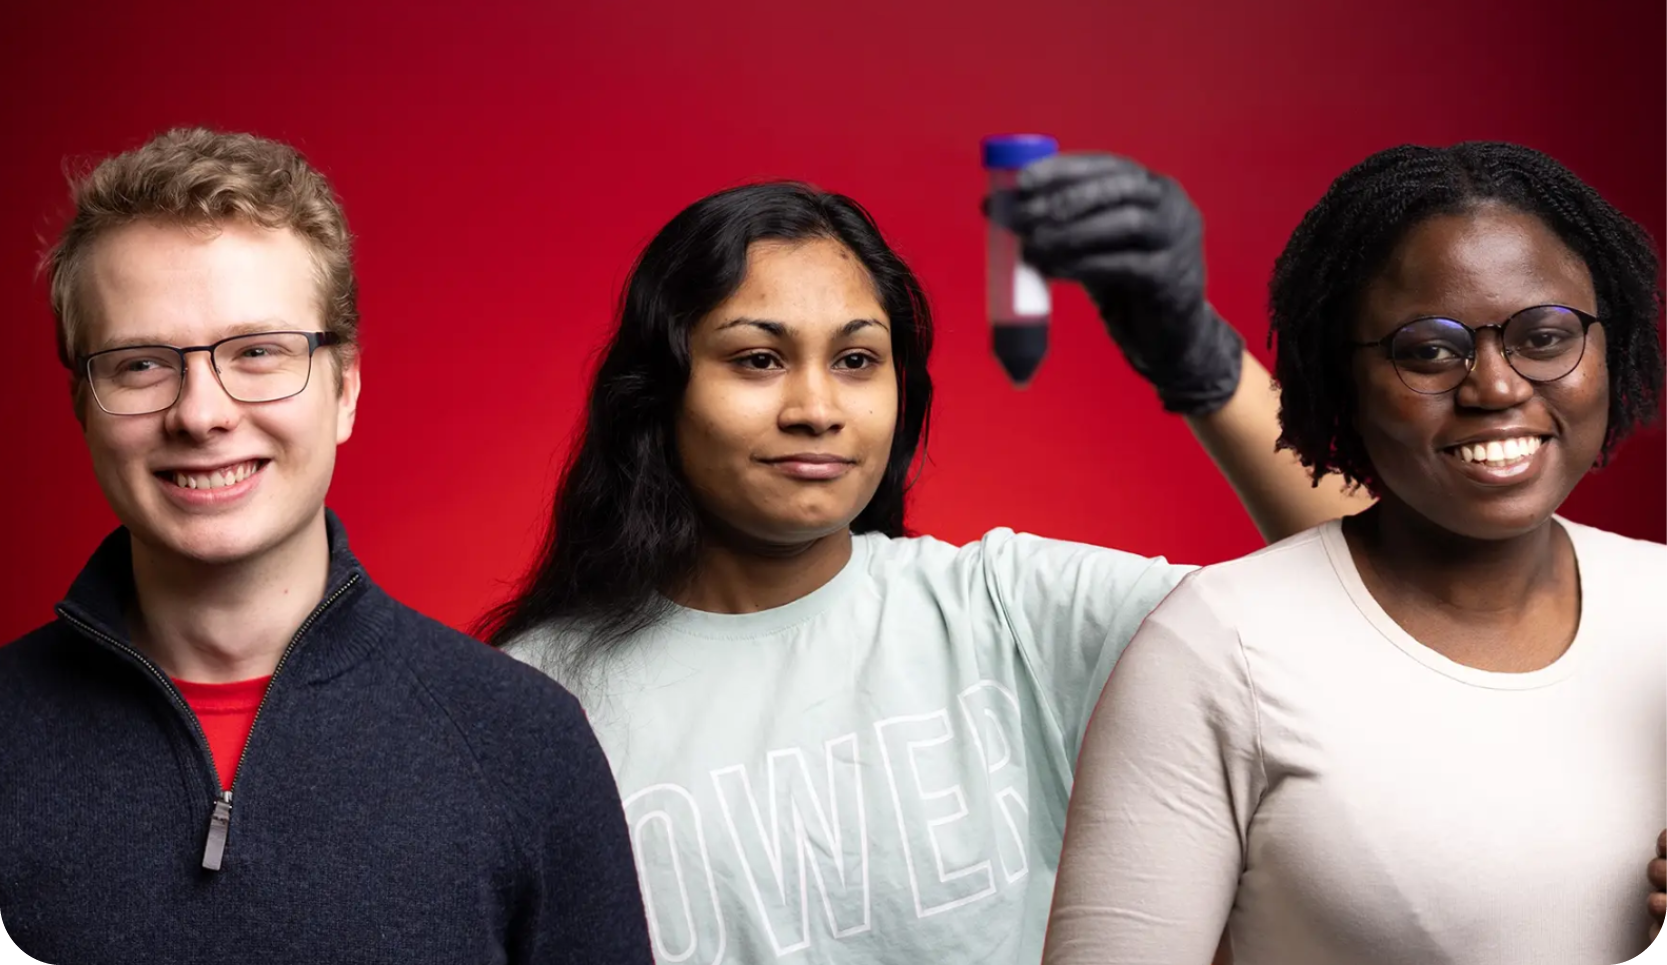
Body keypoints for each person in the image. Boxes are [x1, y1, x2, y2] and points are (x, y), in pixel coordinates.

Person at [488, 156, 1370, 964]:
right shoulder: (531, 702)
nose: (817, 406)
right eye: (758, 359)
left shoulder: (1011, 612)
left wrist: (1203, 362)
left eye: (857, 359)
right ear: (659, 393)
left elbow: (1377, 595)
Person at [0, 128, 653, 964]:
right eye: (141, 365)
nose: (201, 413)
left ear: (344, 388)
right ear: (83, 405)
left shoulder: (523, 742)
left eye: (258, 352)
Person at [1042, 141, 1665, 965]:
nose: (1496, 387)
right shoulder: (1218, 649)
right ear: (1341, 380)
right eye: (1429, 350)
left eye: (1544, 335)